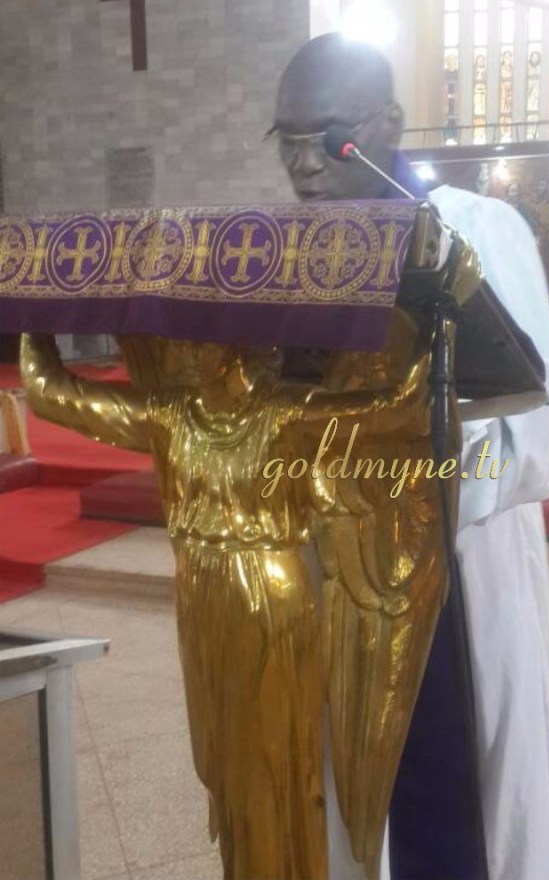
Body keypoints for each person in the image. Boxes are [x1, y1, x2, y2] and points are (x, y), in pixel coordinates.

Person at [272, 32, 549, 880]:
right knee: (350, 784)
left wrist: (404, 478)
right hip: (338, 568)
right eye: (287, 140)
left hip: (455, 564)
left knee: (457, 791)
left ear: (391, 123)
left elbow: (530, 420)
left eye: (329, 138)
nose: (304, 163)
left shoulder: (475, 228)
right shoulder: (291, 253)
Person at [20, 330, 429, 880]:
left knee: (275, 757)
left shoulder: (283, 415)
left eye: (199, 339)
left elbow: (392, 413)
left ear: (239, 345)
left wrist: (433, 336)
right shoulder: (170, 415)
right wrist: (33, 318)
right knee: (224, 759)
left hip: (271, 599)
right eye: (178, 341)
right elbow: (55, 396)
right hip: (201, 590)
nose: (181, 351)